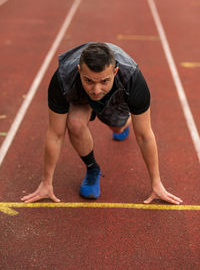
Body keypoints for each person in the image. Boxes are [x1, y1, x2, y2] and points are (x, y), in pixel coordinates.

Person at [21, 42, 183, 205]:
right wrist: (46, 183)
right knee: (75, 124)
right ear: (79, 71)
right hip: (80, 97)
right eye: (89, 80)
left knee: (117, 127)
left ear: (115, 72)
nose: (96, 89)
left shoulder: (132, 78)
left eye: (104, 81)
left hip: (116, 94)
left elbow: (144, 136)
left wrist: (156, 183)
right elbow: (55, 135)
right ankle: (92, 169)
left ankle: (123, 123)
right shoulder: (63, 78)